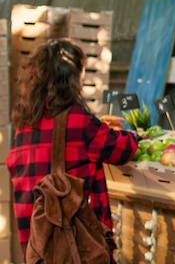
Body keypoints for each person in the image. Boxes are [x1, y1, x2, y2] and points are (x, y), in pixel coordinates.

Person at [6, 38, 138, 258]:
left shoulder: (24, 125)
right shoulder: (79, 121)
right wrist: (135, 135)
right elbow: (123, 150)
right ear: (72, 80)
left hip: (36, 248)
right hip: (75, 248)